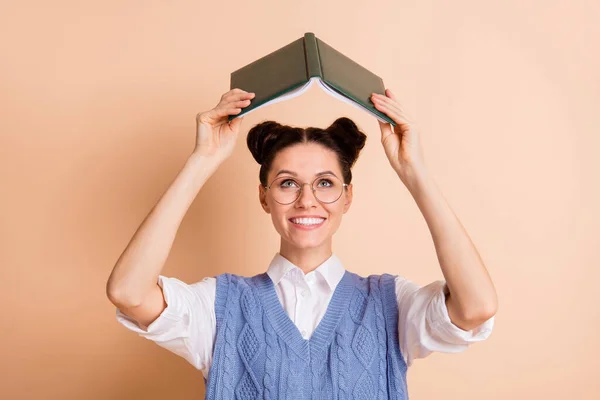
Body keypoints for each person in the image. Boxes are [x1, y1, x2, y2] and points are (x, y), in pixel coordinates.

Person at [106, 88, 497, 399]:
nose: (307, 200)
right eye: (288, 183)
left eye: (325, 183)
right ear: (264, 197)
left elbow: (476, 307)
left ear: (347, 198)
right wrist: (202, 160)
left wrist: (415, 172)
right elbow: (128, 291)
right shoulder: (221, 306)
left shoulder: (390, 303)